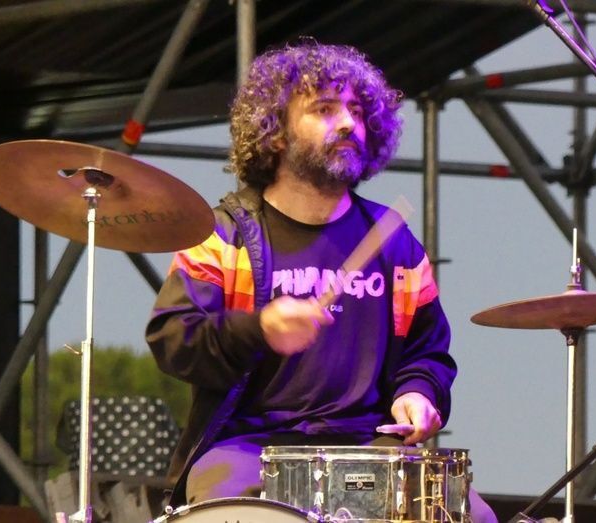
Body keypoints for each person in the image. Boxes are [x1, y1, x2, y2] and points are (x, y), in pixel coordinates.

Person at [146, 40, 496, 522]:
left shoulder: (394, 243)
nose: (349, 122)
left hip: (368, 445)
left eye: (357, 110)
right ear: (275, 132)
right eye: (325, 109)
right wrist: (259, 329)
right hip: (248, 448)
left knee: (474, 516)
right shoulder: (223, 236)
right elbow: (174, 341)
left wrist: (418, 392)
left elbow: (427, 352)